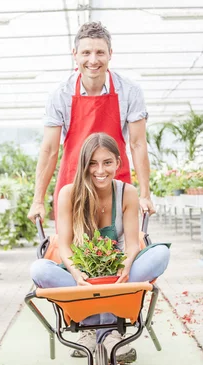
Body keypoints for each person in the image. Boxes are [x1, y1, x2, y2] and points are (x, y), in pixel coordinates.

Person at [30, 133, 170, 364]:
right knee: (39, 270)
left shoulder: (127, 193)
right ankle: (96, 327)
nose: (100, 170)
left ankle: (104, 331)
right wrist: (76, 272)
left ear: (118, 162)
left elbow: (133, 243)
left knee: (161, 253)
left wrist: (125, 266)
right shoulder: (69, 193)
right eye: (92, 163)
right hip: (81, 278)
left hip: (118, 277)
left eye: (107, 162)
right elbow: (64, 246)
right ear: (84, 165)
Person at [27, 21, 155, 223]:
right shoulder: (60, 95)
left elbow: (138, 144)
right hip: (74, 184)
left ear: (110, 53)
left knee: (117, 248)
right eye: (86, 53)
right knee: (72, 249)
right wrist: (38, 200)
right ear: (75, 54)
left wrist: (145, 195)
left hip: (115, 183)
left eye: (100, 53)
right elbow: (50, 150)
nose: (93, 60)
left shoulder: (130, 91)